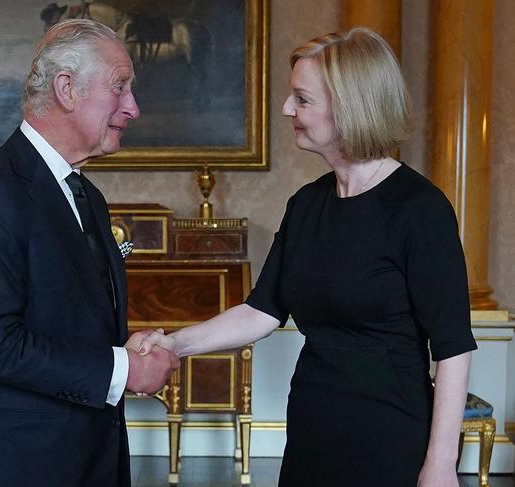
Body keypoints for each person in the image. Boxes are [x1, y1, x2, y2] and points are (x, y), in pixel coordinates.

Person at [133, 27, 477, 487]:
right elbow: (261, 310)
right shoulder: (307, 204)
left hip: (391, 434)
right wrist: (174, 344)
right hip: (314, 426)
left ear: (350, 106)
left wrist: (439, 464)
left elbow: (453, 347)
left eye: (302, 98)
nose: (286, 109)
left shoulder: (419, 209)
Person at [0, 19, 179, 487]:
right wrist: (123, 368)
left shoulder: (86, 194)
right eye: (120, 87)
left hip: (87, 458)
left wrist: (121, 351)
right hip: (15, 466)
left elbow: (69, 320)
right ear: (67, 89)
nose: (134, 107)